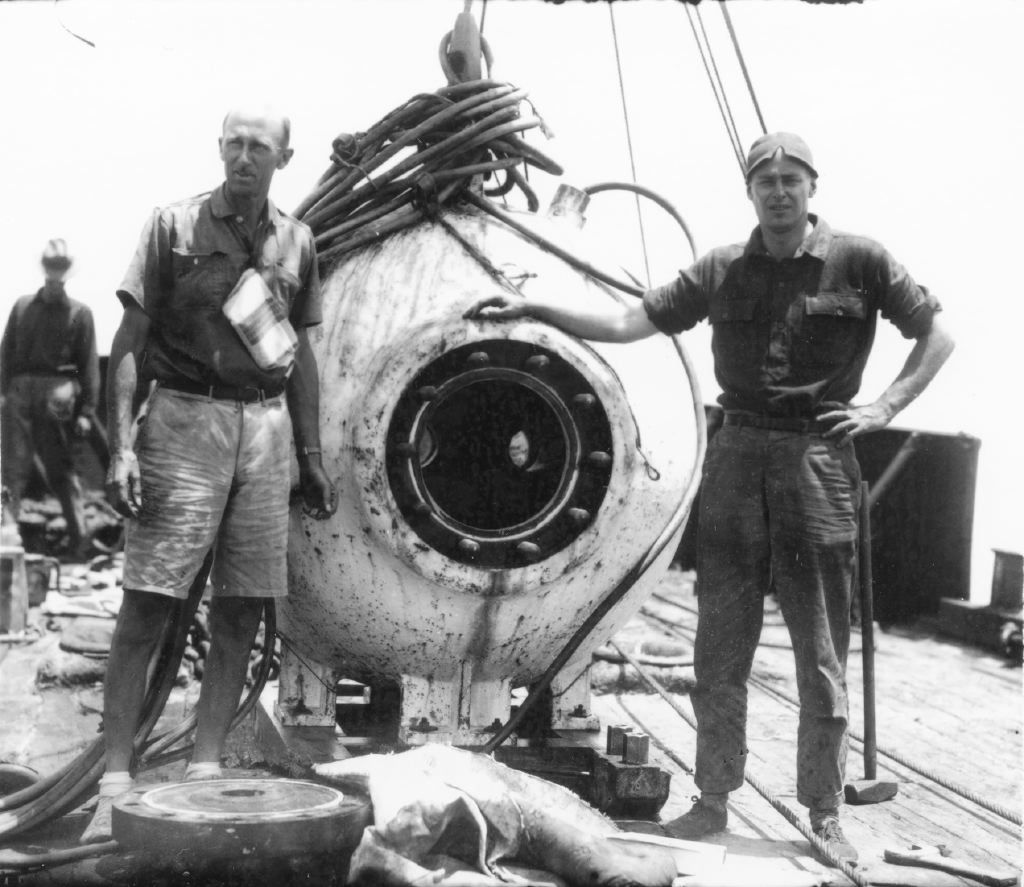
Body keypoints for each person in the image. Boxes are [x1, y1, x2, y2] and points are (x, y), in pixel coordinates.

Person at [465, 132, 955, 861]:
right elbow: (630, 321)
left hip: (817, 461)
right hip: (736, 457)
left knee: (820, 648)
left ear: (812, 187)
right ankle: (712, 801)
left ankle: (825, 812)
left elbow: (937, 335)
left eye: (791, 179)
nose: (779, 192)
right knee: (719, 646)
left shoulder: (862, 260)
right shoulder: (722, 268)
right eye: (766, 181)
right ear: (750, 191)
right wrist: (534, 309)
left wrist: (885, 407)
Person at [80, 106, 337, 844]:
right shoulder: (173, 226)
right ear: (219, 149)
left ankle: (205, 764)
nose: (243, 158)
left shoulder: (298, 240)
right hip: (185, 419)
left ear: (284, 157)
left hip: (266, 428)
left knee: (244, 604)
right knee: (149, 601)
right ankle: (115, 777)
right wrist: (123, 448)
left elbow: (301, 360)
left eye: (259, 147)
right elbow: (130, 342)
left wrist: (311, 456)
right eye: (233, 144)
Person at [1, 239, 100, 559]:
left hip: (58, 391)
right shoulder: (22, 306)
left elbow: (89, 365)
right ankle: (6, 540)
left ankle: (80, 541)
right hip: (20, 390)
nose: (55, 282)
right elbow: (6, 352)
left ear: (66, 276)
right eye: (51, 274)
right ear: (45, 273)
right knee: (11, 469)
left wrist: (87, 411)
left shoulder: (80, 313)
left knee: (61, 468)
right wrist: (2, 394)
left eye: (61, 275)